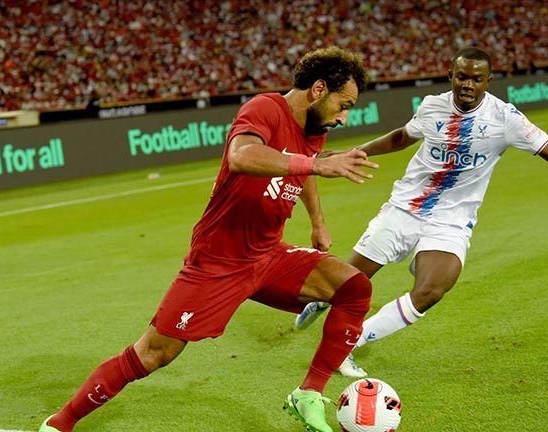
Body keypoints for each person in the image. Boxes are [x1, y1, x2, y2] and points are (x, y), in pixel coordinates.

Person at [38, 46, 379, 432]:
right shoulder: (265, 109)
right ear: (319, 90)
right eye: (343, 105)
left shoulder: (314, 129)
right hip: (219, 261)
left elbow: (302, 173)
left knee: (354, 288)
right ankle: (60, 423)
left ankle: (308, 393)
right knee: (153, 353)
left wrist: (317, 221)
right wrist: (315, 164)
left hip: (268, 256)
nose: (344, 117)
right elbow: (242, 156)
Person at [294, 47, 548, 377]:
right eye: (462, 77)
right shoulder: (432, 106)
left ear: (488, 81)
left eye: (476, 79)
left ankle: (351, 343)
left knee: (430, 291)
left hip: (452, 220)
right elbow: (402, 136)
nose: (468, 84)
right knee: (348, 282)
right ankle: (322, 300)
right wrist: (354, 152)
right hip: (406, 207)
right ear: (451, 77)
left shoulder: (505, 118)